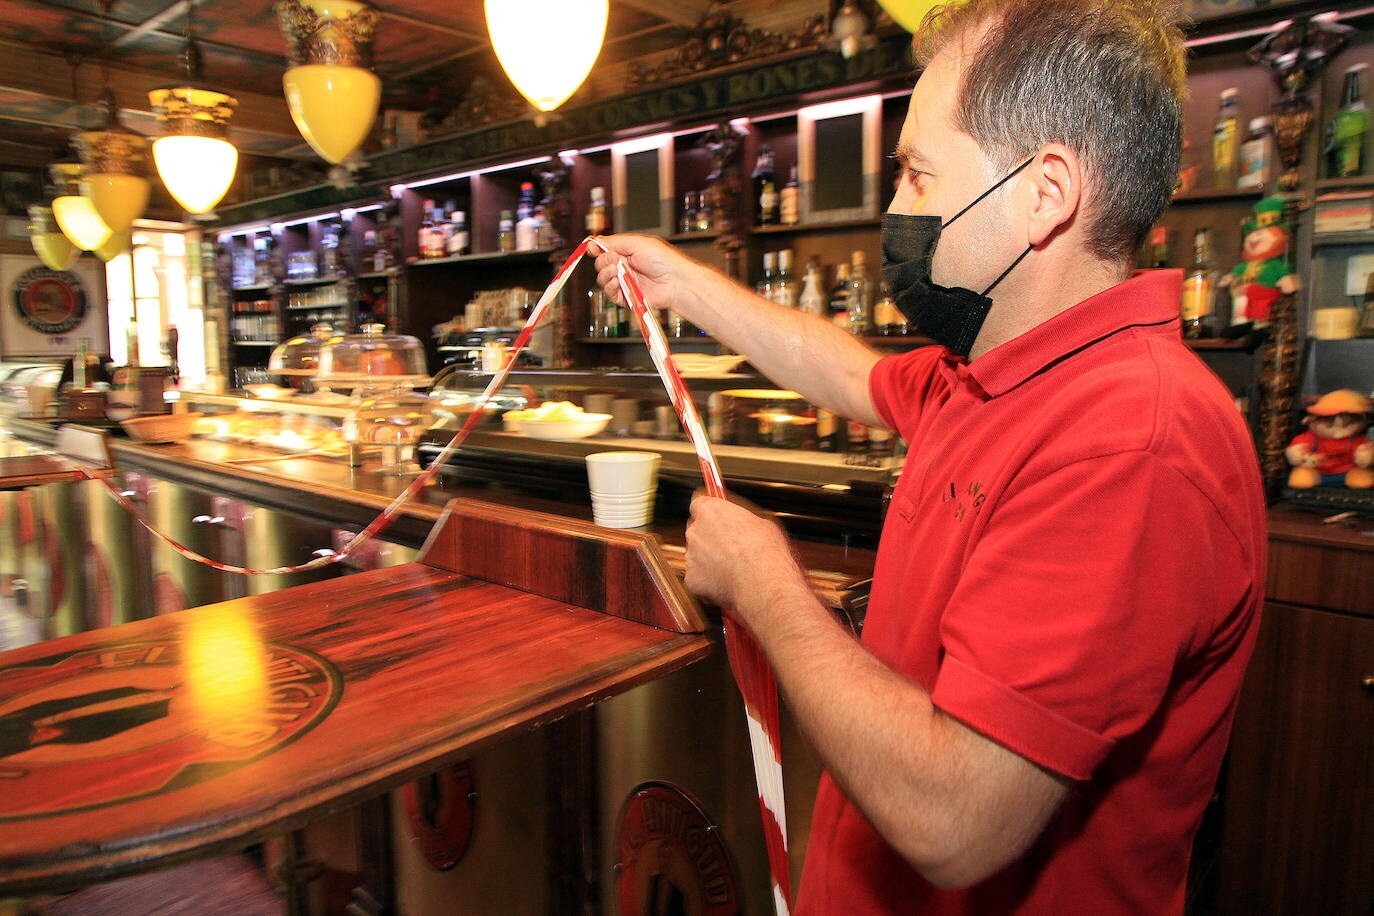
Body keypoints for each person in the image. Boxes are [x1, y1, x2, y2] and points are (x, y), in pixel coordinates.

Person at [592, 0, 1265, 912]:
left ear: (1046, 192)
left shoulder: (1131, 440)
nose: (895, 207)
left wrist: (764, 586)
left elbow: (954, 817)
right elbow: (847, 372)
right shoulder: (994, 369)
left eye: (917, 173)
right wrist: (689, 286)